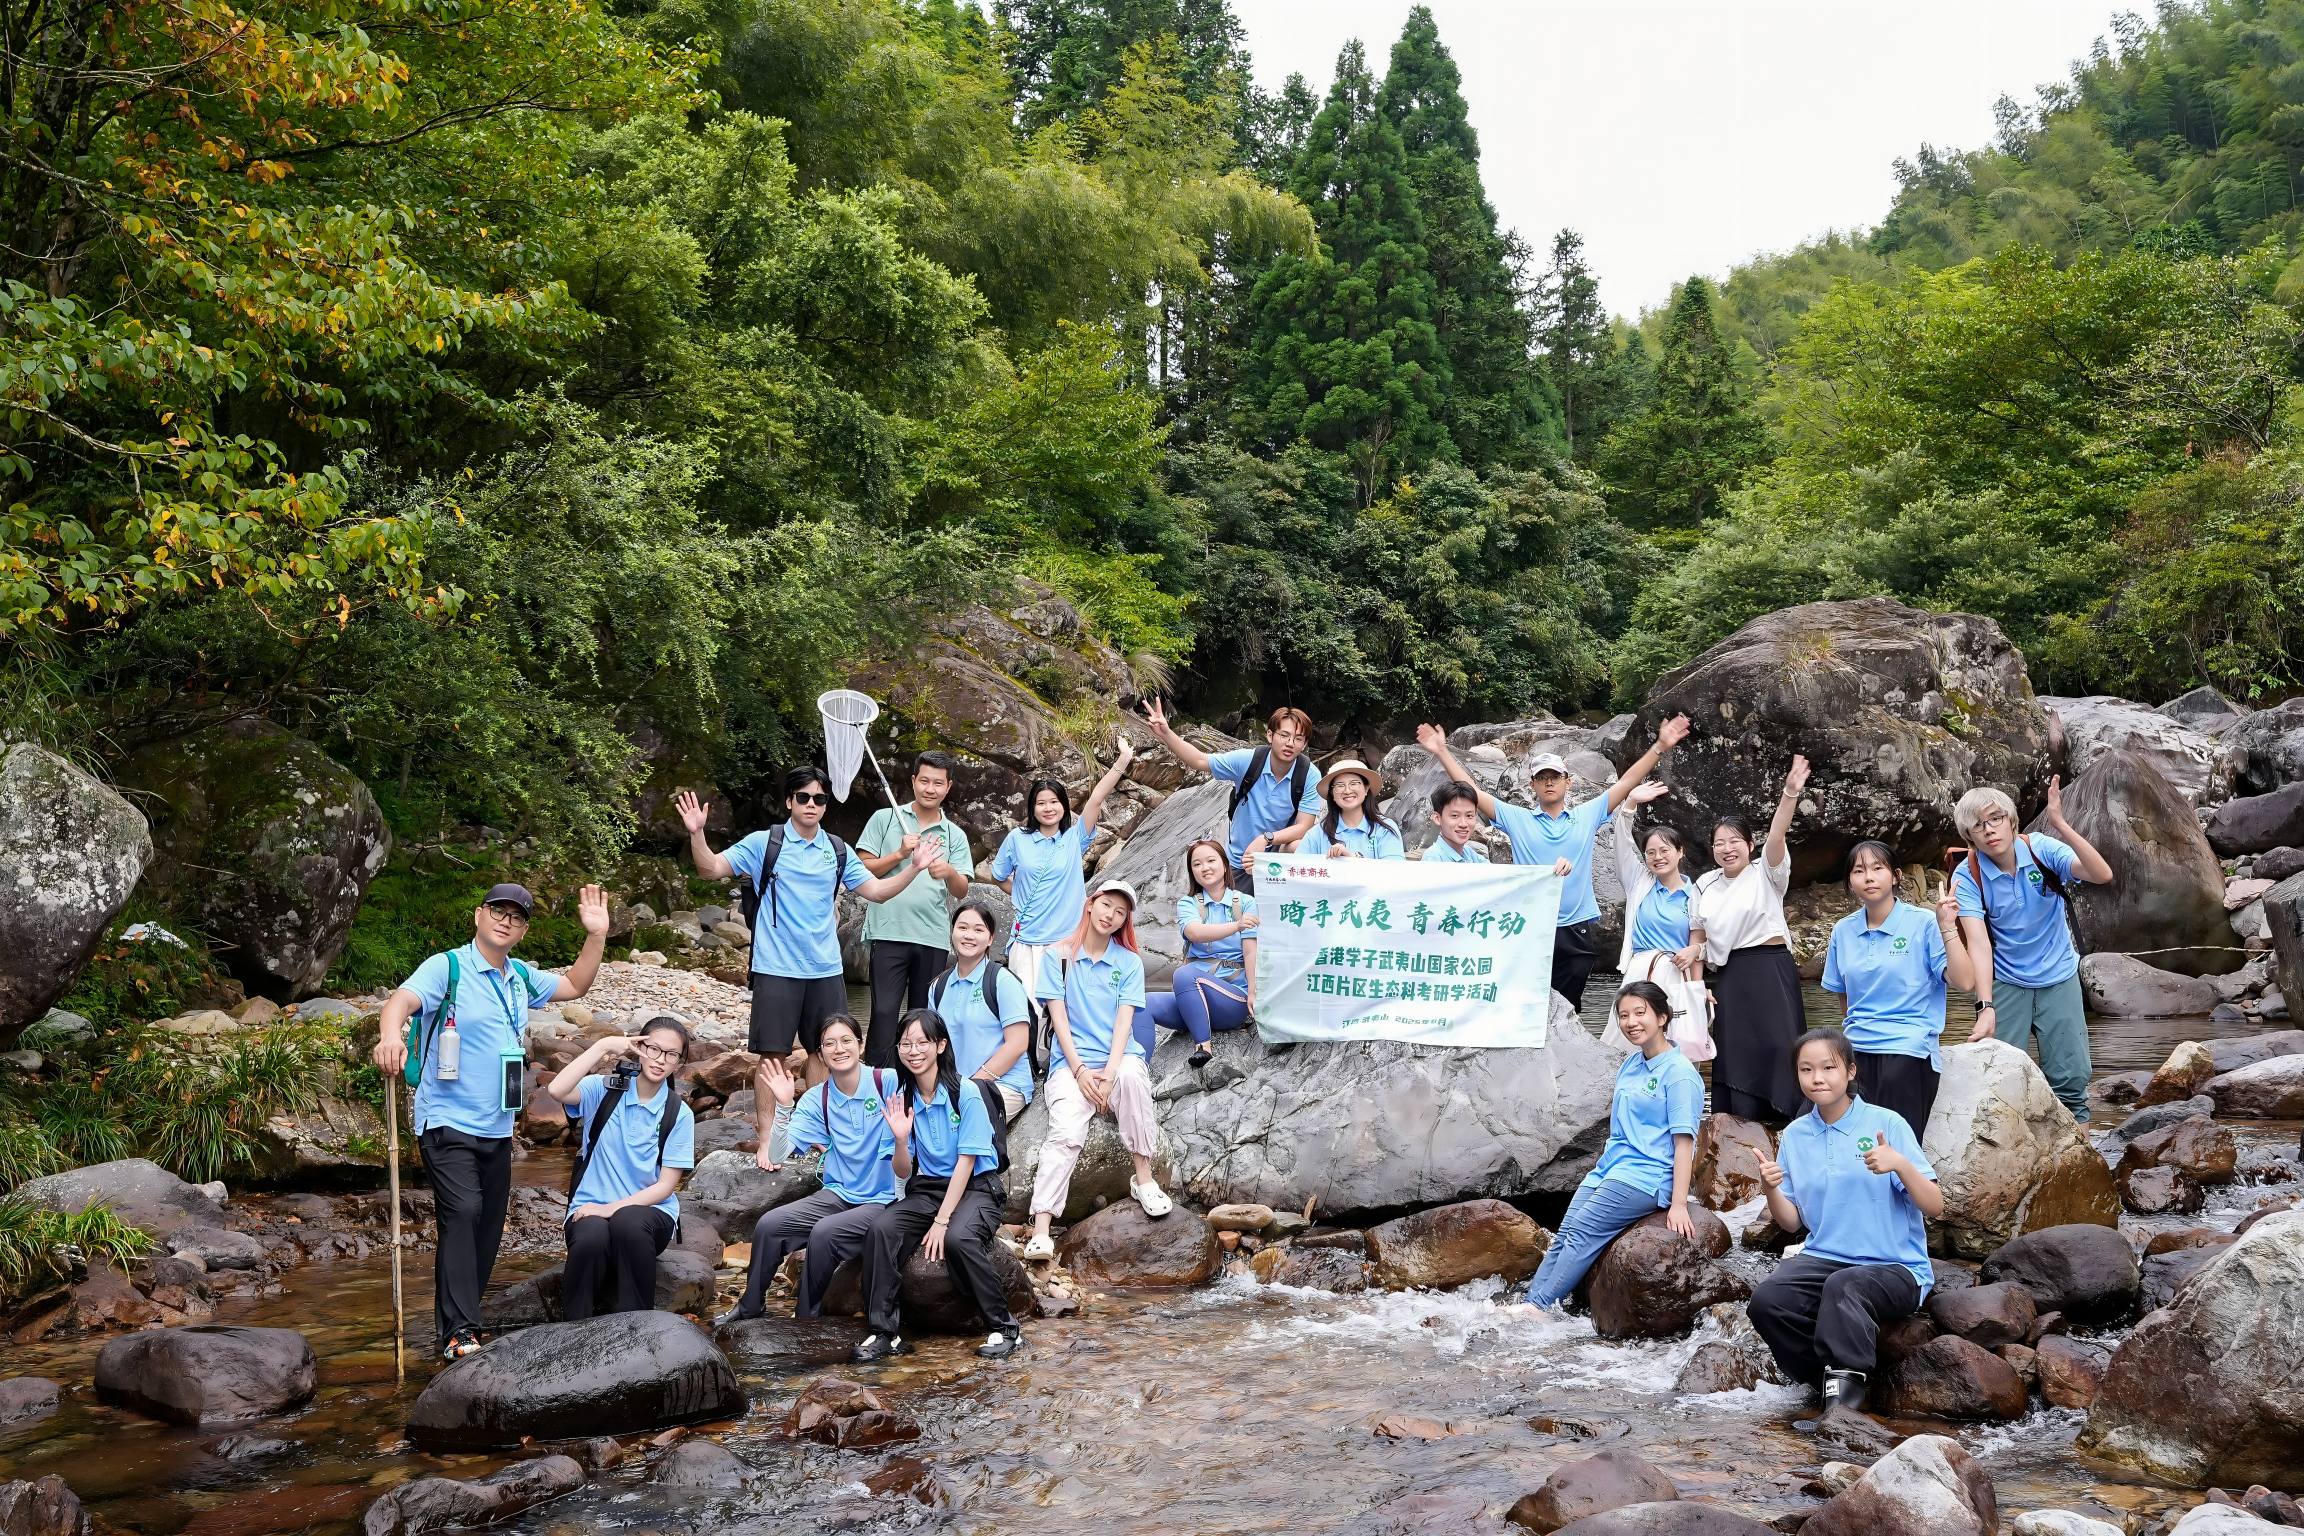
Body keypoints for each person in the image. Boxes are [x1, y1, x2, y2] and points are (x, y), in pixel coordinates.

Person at [371, 882, 611, 1360]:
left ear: (522, 931)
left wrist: (597, 936)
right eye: (498, 912)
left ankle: (459, 1324)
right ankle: (460, 1330)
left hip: (498, 1127)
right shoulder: (449, 967)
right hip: (446, 1121)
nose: (506, 921)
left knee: (486, 1226)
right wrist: (389, 1036)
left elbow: (574, 986)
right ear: (478, 916)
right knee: (461, 1214)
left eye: (517, 917)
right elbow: (401, 1000)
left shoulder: (519, 977)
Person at [676, 770, 936, 1088]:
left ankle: (818, 1132)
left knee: (826, 1052)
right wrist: (697, 834)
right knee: (772, 1057)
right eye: (803, 797)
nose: (811, 804)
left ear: (826, 805)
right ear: (789, 801)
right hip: (776, 967)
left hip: (825, 969)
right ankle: (768, 1137)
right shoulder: (764, 843)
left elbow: (877, 891)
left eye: (819, 798)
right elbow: (710, 868)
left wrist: (914, 867)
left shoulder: (838, 850)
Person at [1413, 715, 1692, 1010]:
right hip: (1532, 924)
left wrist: (1659, 746)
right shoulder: (1516, 818)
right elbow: (1471, 792)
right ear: (1532, 784)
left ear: (1567, 782)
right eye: (1543, 778)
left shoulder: (1587, 815)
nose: (1549, 782)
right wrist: (1442, 751)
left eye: (1555, 777)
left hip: (1576, 926)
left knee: (1569, 1007)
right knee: (1529, 1003)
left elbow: (1626, 782)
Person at [1750, 1028, 1943, 1439]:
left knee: (1845, 1286)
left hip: (1896, 1266)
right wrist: (1770, 1186)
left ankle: (1843, 1409)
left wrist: (1901, 1166)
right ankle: (1823, 1380)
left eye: (1828, 1067)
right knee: (1768, 1300)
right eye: (1806, 1069)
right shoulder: (1796, 1135)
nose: (1817, 1078)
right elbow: (1791, 1223)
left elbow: (1936, 1206)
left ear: (1851, 1071)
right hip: (1826, 1255)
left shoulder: (1886, 1124)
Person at [851, 1010, 1023, 1363]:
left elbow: (967, 1161)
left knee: (960, 1238)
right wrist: (900, 1139)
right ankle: (886, 1332)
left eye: (922, 1042)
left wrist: (942, 1222)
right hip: (928, 1188)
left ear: (940, 1045)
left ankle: (1005, 1328)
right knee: (881, 1229)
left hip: (976, 1188)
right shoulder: (905, 1097)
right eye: (905, 1044)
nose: (913, 1051)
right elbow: (902, 1169)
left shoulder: (967, 1092)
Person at [1519, 982, 1703, 1310]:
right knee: (1565, 1233)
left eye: (1639, 1013)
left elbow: (1684, 1142)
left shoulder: (1680, 1074)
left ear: (1662, 1017)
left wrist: (1678, 1203)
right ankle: (1531, 1301)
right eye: (1623, 1015)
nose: (1631, 1022)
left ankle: (1540, 1308)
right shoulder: (1631, 1064)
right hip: (1611, 1168)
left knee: (1582, 1234)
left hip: (1647, 1175)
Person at [1951, 778, 2114, 1123]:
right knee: (2000, 1082)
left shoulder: (2041, 849)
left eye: (1995, 819)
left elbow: (2101, 874)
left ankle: (2082, 1167)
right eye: (1978, 826)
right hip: (2007, 981)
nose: (1989, 830)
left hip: (2059, 975)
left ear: (2011, 821)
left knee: (2070, 1080)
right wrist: (1985, 1006)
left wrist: (2061, 825)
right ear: (1970, 837)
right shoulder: (1968, 876)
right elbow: (1978, 944)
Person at [719, 1015, 899, 1324]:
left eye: (846, 1041)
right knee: (770, 1225)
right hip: (839, 1194)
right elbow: (777, 1154)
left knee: (824, 1233)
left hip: (884, 1199)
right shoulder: (818, 1098)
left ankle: (806, 1317)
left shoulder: (888, 1081)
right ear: (821, 1052)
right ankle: (750, 1305)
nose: (838, 1049)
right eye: (829, 1043)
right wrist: (785, 1105)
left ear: (860, 1044)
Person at [1024, 880, 1170, 1260]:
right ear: (1091, 904)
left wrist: (1108, 1072)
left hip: (1116, 1057)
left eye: (1120, 912)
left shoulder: (1128, 962)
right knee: (1066, 1130)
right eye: (1107, 905)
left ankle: (1145, 1179)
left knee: (1135, 1080)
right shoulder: (1058, 956)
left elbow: (1124, 1024)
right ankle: (1041, 1226)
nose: (1111, 915)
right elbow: (1059, 1022)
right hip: (1070, 1063)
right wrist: (1080, 1072)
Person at [1821, 841, 1977, 1138]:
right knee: (1830, 1129)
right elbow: (1845, 997)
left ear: (1896, 876)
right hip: (1857, 1047)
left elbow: (1965, 982)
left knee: (1894, 1144)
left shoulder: (1923, 923)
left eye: (1878, 868)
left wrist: (1947, 927)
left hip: (1908, 1046)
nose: (1869, 877)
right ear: (1850, 882)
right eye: (1859, 871)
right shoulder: (1843, 930)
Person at [547, 1014, 698, 1321]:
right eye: (653, 1049)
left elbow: (665, 1187)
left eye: (671, 1055)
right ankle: (573, 1330)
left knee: (628, 1221)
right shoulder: (602, 1090)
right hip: (589, 1208)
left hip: (649, 1218)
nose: (660, 1060)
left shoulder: (677, 1114)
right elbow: (556, 1090)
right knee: (590, 1237)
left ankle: (636, 1326)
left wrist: (609, 1209)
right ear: (639, 1047)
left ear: (679, 1063)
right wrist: (602, 1045)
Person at [1696, 755, 1809, 1124]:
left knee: (1781, 1044)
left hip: (1772, 966)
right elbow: (1698, 935)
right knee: (1735, 1050)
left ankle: (1789, 1121)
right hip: (1731, 975)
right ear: (1711, 849)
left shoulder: (1766, 872)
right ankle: (1738, 1126)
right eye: (1719, 843)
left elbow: (1777, 837)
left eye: (1735, 841)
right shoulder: (1704, 884)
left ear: (1749, 844)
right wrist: (1697, 986)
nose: (1727, 849)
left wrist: (1789, 795)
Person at [989, 737, 1136, 998]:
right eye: (1041, 803)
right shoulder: (1017, 839)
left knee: (1064, 1010)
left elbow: (1096, 799)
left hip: (1067, 939)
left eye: (1054, 802)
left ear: (1064, 806)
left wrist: (1123, 760)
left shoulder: (1074, 838)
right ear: (1032, 807)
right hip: (1027, 940)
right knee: (1028, 1011)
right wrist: (1022, 897)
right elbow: (998, 876)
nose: (1048, 808)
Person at [856, 751, 975, 1068]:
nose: (930, 788)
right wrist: (898, 854)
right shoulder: (885, 819)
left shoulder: (954, 835)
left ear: (948, 787)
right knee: (883, 1012)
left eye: (938, 783)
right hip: (888, 931)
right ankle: (879, 1081)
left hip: (932, 937)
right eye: (924, 780)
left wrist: (949, 871)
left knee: (923, 1016)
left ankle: (917, 1082)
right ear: (913, 781)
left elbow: (962, 890)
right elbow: (863, 871)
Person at [1139, 700, 1321, 886]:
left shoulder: (1308, 774)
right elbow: (1200, 760)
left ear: (1304, 743)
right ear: (1270, 735)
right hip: (1239, 859)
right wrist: (1166, 733)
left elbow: (1304, 826)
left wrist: (1266, 839)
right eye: (1284, 735)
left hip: (1275, 864)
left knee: (1298, 846)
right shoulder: (1249, 761)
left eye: (1298, 738)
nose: (1290, 743)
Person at [1606, 783, 1710, 1060]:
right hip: (1640, 971)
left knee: (1680, 1043)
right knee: (1626, 1042)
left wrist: (1696, 991)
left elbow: (1695, 947)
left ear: (1680, 852)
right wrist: (1629, 804)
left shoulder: (1696, 894)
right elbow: (1621, 846)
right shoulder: (1639, 882)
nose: (1657, 857)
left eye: (1664, 850)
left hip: (1677, 975)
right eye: (1650, 852)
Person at [1138, 839, 1258, 1068]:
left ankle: (1203, 1047)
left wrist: (1253, 991)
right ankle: (1139, 1070)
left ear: (1224, 864)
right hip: (1191, 997)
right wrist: (1236, 926)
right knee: (1141, 1002)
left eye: (1211, 860)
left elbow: (1250, 950)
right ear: (1192, 872)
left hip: (1231, 999)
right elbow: (1194, 932)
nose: (1205, 867)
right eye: (1197, 864)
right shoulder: (1188, 904)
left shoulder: (1246, 903)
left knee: (1185, 974)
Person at [928, 901, 1033, 1122]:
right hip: (957, 1086)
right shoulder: (938, 987)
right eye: (962, 927)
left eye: (978, 930)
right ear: (953, 931)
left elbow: (1017, 1044)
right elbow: (931, 1044)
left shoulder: (1002, 981)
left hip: (1003, 1084)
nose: (969, 935)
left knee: (962, 1124)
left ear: (990, 938)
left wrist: (974, 1085)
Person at [1295, 759, 1404, 859]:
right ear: (1332, 793)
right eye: (1340, 785)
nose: (1347, 791)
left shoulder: (1384, 830)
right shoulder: (1317, 834)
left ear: (1366, 789)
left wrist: (1352, 859)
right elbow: (1297, 871)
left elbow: (1393, 873)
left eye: (1354, 783)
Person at [1422, 780, 1491, 863]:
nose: (1463, 824)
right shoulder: (1434, 858)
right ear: (1437, 818)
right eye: (1454, 816)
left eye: (1469, 816)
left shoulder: (1469, 854)